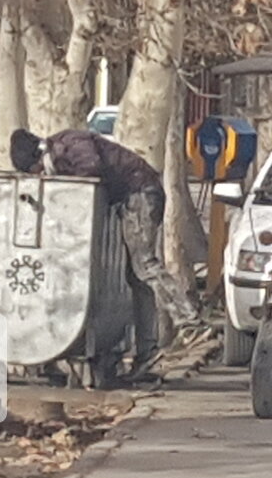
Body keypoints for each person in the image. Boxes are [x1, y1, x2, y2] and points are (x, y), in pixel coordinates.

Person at [10, 128, 199, 377]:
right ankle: (148, 351)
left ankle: (189, 321)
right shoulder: (63, 149)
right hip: (136, 195)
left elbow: (91, 168)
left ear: (37, 159)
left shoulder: (68, 146)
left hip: (140, 193)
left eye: (34, 171)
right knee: (137, 276)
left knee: (144, 266)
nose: (39, 175)